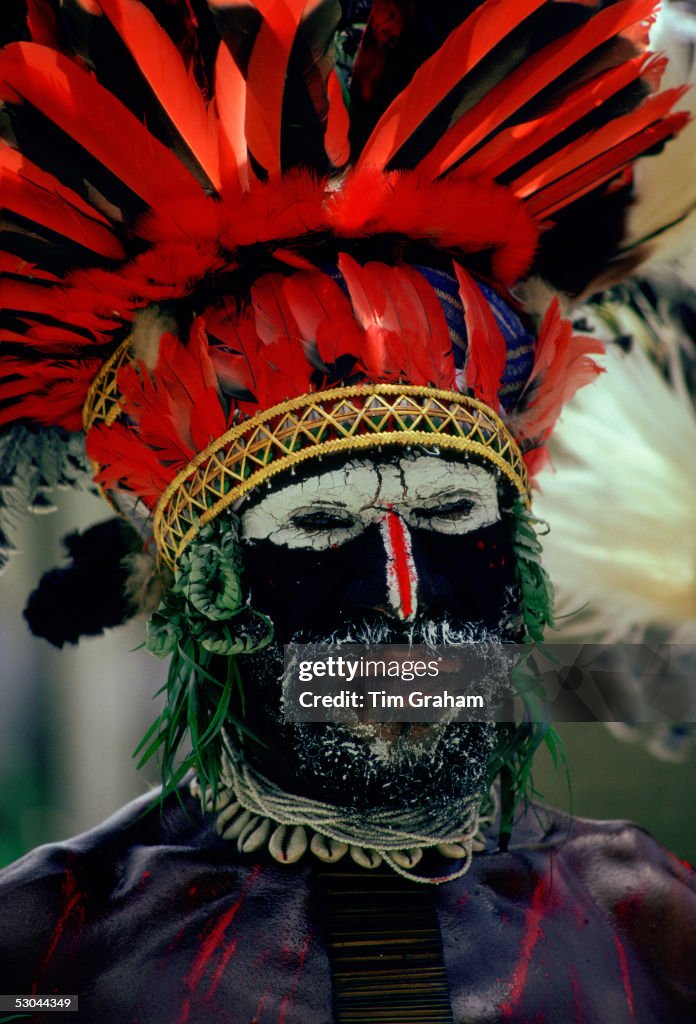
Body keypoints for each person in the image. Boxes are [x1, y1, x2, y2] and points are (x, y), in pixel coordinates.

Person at [0, 1, 695, 1021]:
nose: (404, 599)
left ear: (517, 564)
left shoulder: (653, 929)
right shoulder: (46, 949)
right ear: (208, 584)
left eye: (456, 511)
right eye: (323, 524)